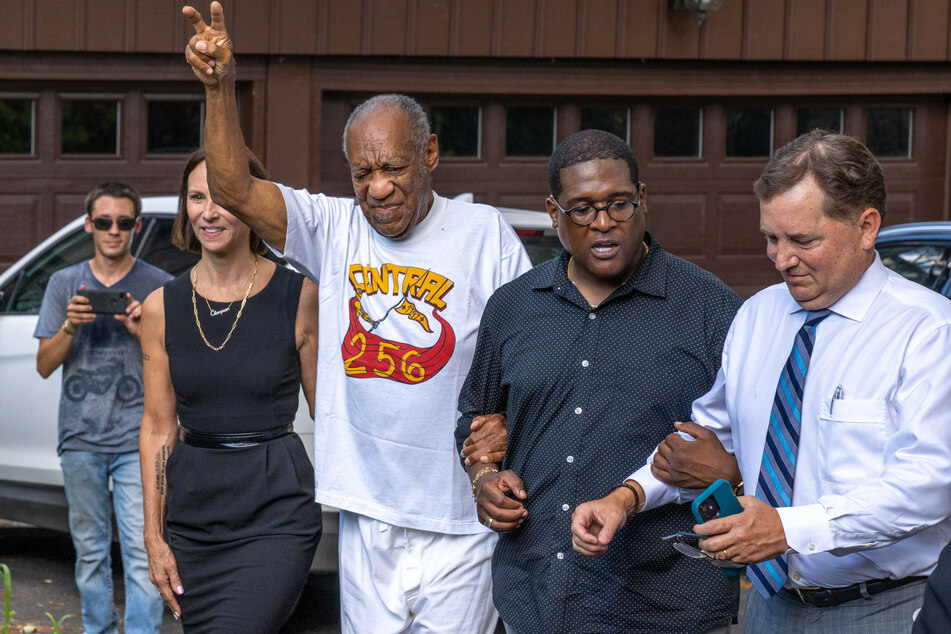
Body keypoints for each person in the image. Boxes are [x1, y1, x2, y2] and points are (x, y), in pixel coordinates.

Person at [181, 4, 532, 631]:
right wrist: (218, 87)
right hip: (367, 514)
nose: (377, 188)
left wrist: (503, 437)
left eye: (393, 168)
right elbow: (233, 188)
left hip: (459, 518)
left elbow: (529, 355)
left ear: (429, 155)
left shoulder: (486, 236)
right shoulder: (332, 228)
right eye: (362, 172)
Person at [573, 130, 951, 633]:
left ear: (867, 227)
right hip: (768, 609)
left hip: (886, 610)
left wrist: (788, 528)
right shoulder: (757, 315)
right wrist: (625, 498)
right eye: (771, 238)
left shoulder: (928, 331)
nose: (780, 259)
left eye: (803, 240)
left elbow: (928, 486)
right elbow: (706, 438)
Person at [454, 129, 742, 633]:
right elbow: (475, 421)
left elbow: (761, 445)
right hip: (537, 596)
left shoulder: (710, 308)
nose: (604, 223)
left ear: (643, 199)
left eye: (619, 204)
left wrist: (730, 471)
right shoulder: (513, 308)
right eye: (582, 209)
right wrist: (484, 479)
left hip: (669, 605)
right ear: (553, 212)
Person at [138, 148, 321, 631]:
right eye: (197, 197)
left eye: (222, 196)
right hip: (194, 512)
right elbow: (158, 428)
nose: (209, 211)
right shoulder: (161, 306)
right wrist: (153, 535)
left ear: (251, 201)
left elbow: (333, 412)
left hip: (275, 509)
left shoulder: (299, 296)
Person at [34, 181, 168, 634]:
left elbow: (179, 365)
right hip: (80, 438)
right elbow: (43, 366)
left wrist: (141, 330)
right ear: (89, 224)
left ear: (137, 225)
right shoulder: (64, 283)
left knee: (142, 551)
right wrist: (70, 326)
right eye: (105, 222)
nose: (114, 231)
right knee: (90, 552)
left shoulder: (158, 287)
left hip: (139, 439)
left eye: (124, 222)